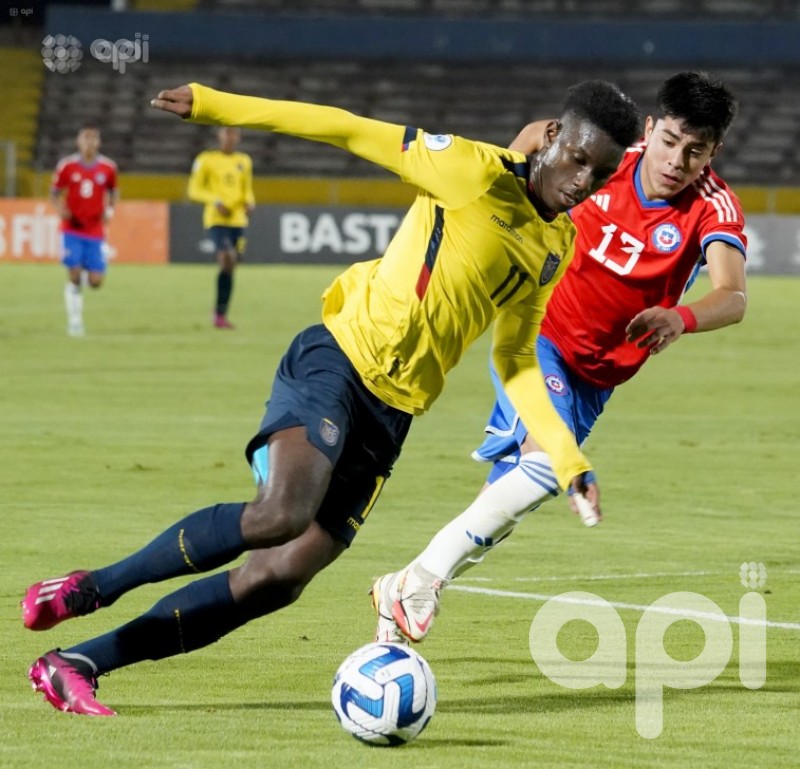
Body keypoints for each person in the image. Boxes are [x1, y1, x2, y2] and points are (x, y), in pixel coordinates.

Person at [20, 78, 641, 716]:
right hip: (338, 360)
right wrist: (215, 105)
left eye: (601, 174)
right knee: (279, 515)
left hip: (393, 414)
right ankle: (88, 588)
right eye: (578, 159)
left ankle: (78, 663)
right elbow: (341, 125)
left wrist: (568, 462)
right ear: (553, 136)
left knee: (279, 578)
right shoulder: (465, 168)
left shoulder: (554, 246)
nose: (583, 181)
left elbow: (513, 360)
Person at [372, 71, 747, 645]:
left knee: (506, 501)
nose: (677, 160)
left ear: (713, 153)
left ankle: (404, 587)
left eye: (695, 152)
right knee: (547, 465)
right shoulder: (607, 158)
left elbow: (733, 295)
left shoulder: (712, 207)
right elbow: (532, 141)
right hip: (537, 336)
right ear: (651, 128)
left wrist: (681, 316)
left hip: (600, 374)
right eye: (670, 141)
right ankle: (419, 581)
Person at [51, 123, 118, 337]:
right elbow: (54, 192)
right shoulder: (67, 166)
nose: (89, 143)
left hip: (95, 229)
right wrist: (61, 210)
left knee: (96, 282)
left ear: (98, 142)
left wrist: (109, 210)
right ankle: (75, 321)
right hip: (72, 229)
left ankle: (80, 281)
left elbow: (114, 191)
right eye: (85, 138)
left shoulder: (108, 168)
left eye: (93, 138)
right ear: (78, 142)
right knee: (74, 273)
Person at [187, 126, 255, 329]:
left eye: (233, 133)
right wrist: (215, 201)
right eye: (226, 133)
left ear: (238, 136)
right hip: (216, 219)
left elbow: (247, 189)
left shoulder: (244, 161)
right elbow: (194, 190)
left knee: (230, 267)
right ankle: (219, 313)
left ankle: (220, 314)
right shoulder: (206, 160)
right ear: (219, 135)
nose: (230, 137)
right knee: (228, 258)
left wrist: (250, 202)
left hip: (238, 221)